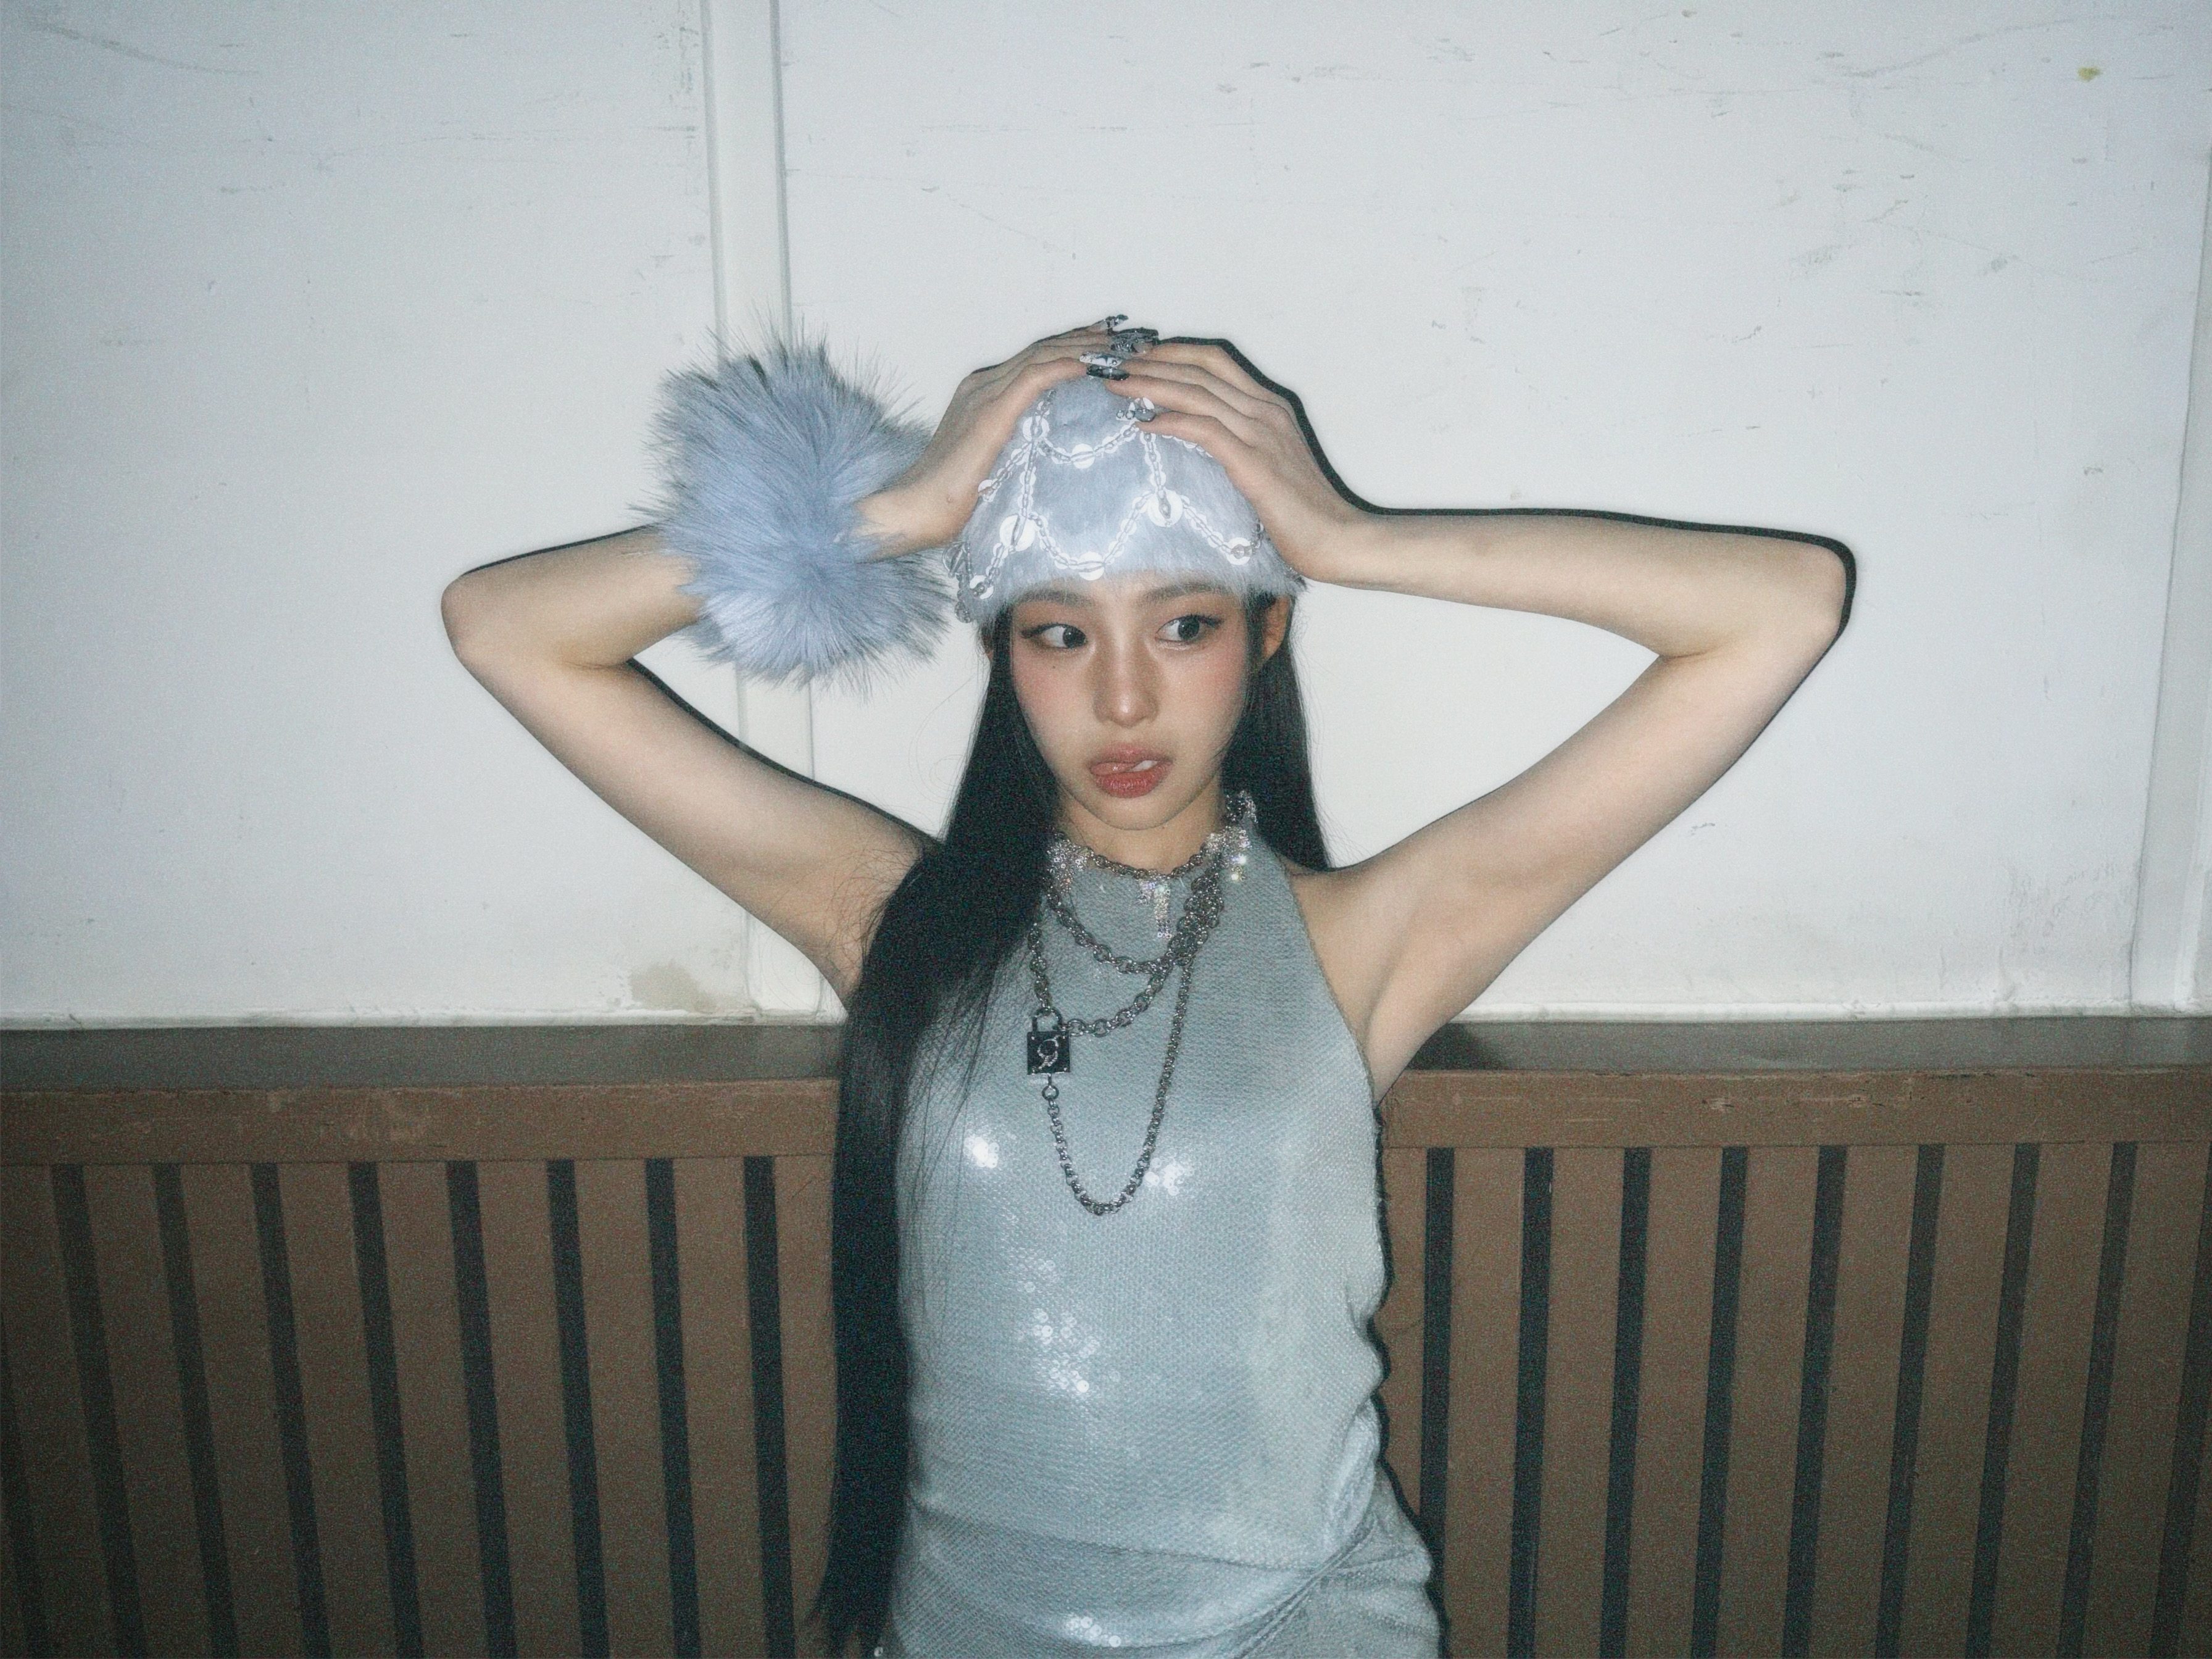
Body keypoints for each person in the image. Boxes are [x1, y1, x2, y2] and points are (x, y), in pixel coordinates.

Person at [441, 318, 1851, 1657]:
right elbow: (504, 626)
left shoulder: (1361, 941)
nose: (1123, 700)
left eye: (1182, 627)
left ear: (1266, 632)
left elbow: (1781, 607)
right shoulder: (894, 923)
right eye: (1060, 633)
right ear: (999, 649)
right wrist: (904, 509)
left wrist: (1348, 538)